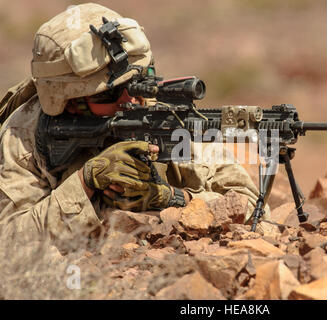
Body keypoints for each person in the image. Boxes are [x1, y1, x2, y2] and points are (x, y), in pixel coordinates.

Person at [0, 3, 269, 252]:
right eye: (108, 95)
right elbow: (9, 242)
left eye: (137, 83)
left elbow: (252, 208)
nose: (130, 100)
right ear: (68, 103)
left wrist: (174, 198)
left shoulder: (159, 116)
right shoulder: (24, 135)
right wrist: (85, 182)